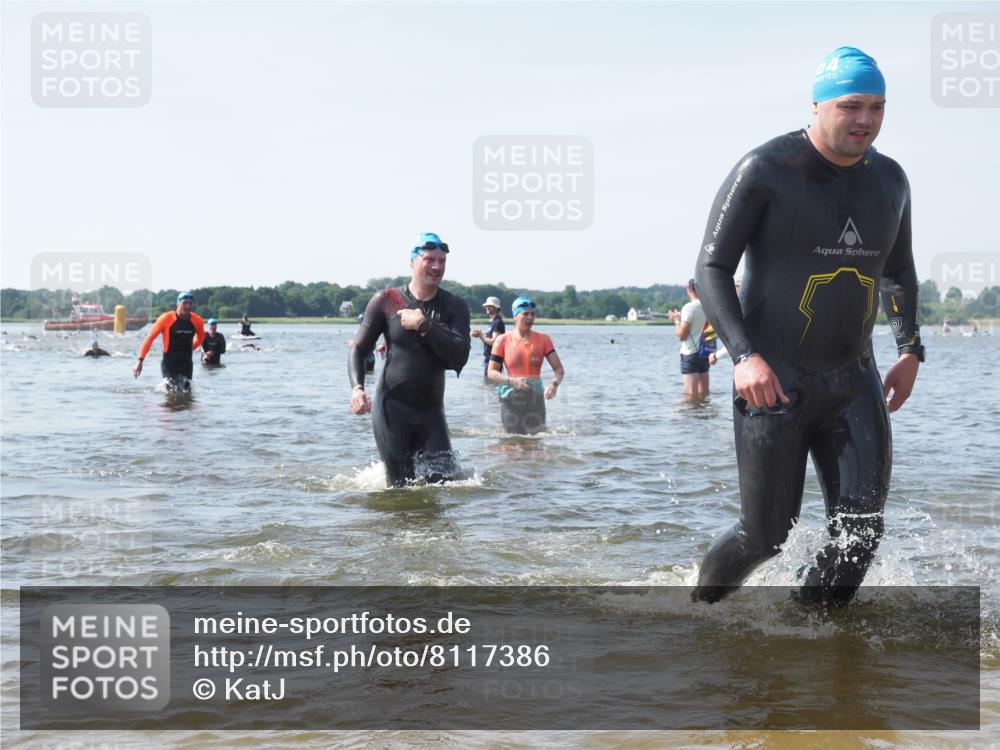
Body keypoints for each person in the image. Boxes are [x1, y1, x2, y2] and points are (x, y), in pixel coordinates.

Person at [691, 47, 922, 607]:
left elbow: (899, 270)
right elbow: (712, 268)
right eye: (851, 106)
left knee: (861, 534)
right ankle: (698, 613)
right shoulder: (766, 169)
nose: (865, 119)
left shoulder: (890, 180)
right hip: (773, 381)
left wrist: (910, 349)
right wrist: (744, 355)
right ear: (817, 105)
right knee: (766, 536)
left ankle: (811, 635)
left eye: (877, 107)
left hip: (853, 379)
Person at [348, 232, 471, 487]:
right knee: (400, 489)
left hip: (432, 411)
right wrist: (357, 389)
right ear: (412, 262)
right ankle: (398, 529)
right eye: (429, 259)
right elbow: (359, 349)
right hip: (392, 410)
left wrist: (425, 326)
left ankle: (430, 530)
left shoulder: (454, 307)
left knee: (445, 485)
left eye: (442, 261)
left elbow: (459, 357)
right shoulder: (387, 300)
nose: (437, 267)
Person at [486, 297, 564, 435]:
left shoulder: (543, 339)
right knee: (512, 444)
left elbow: (559, 369)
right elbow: (491, 372)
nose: (530, 317)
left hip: (536, 398)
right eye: (525, 314)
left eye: (532, 314)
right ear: (515, 316)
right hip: (510, 398)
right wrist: (512, 381)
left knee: (536, 443)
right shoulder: (502, 340)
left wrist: (554, 384)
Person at [133, 291, 206, 390]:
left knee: (186, 392)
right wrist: (140, 360)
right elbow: (150, 338)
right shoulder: (166, 318)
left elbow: (201, 337)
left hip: (187, 364)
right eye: (185, 303)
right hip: (169, 363)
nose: (188, 306)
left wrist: (191, 347)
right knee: (170, 391)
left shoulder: (197, 321)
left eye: (190, 303)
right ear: (178, 303)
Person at [667, 279, 711, 396]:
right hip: (704, 353)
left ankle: (693, 415)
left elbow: (682, 336)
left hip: (690, 354)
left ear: (689, 289)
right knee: (704, 395)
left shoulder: (688, 308)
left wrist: (676, 321)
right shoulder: (708, 306)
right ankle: (703, 414)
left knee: (690, 397)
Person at [471, 296, 505, 377]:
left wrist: (480, 335)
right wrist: (479, 335)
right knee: (489, 385)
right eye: (486, 306)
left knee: (491, 384)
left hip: (494, 359)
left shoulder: (497, 323)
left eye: (490, 306)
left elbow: (494, 342)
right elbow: (488, 340)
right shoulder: (493, 322)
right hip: (489, 359)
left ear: (496, 308)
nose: (487, 307)